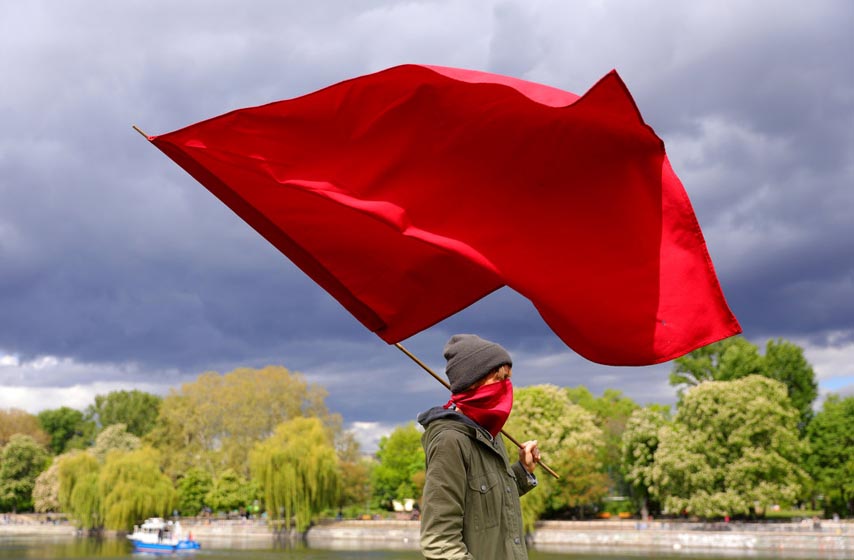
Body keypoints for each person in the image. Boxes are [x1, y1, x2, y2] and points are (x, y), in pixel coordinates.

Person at [417, 334, 540, 559]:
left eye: (508, 378)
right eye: (499, 378)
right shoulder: (450, 442)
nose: (506, 386)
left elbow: (488, 504)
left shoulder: (491, 434)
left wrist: (523, 471)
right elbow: (440, 544)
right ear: (472, 382)